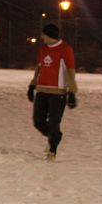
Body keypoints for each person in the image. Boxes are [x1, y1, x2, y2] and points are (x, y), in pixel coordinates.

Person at [28, 23, 78, 161]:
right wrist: (32, 86)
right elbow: (39, 68)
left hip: (58, 93)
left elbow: (70, 72)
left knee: (53, 123)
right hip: (42, 91)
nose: (41, 37)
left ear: (50, 35)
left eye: (43, 34)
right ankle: (55, 137)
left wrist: (71, 92)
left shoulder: (66, 49)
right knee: (38, 122)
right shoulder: (43, 49)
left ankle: (52, 150)